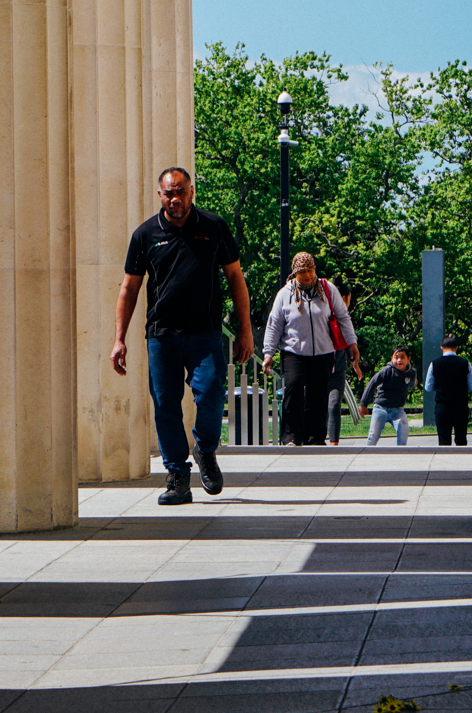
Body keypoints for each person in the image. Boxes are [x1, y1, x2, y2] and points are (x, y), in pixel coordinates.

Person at [110, 167, 255, 505]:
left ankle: (205, 448)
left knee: (211, 394)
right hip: (161, 334)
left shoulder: (214, 227)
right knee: (165, 405)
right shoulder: (145, 234)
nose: (175, 199)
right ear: (160, 195)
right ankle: (177, 475)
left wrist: (245, 329)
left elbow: (235, 278)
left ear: (192, 192)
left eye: (181, 191)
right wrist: (120, 338)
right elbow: (129, 287)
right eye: (169, 193)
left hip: (204, 332)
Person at [261, 252, 358, 447]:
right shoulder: (285, 294)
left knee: (318, 395)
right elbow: (274, 325)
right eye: (302, 271)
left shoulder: (327, 289)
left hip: (323, 352)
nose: (307, 275)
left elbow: (343, 317)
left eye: (310, 270)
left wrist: (352, 343)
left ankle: (315, 438)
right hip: (293, 351)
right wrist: (268, 353)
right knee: (294, 389)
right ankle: (291, 436)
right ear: (295, 273)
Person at [361, 345, 419, 446]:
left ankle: (400, 455)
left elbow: (410, 384)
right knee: (373, 436)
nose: (399, 360)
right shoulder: (387, 370)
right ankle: (367, 455)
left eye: (402, 357)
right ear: (391, 358)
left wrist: (414, 384)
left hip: (397, 410)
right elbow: (372, 383)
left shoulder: (411, 373)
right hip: (381, 407)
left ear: (408, 359)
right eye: (396, 357)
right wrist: (363, 404)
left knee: (403, 432)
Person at [426, 335, 472, 446]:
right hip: (461, 406)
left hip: (442, 406)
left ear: (442, 348)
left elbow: (428, 387)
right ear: (456, 348)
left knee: (444, 441)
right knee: (461, 440)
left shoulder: (434, 364)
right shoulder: (465, 363)